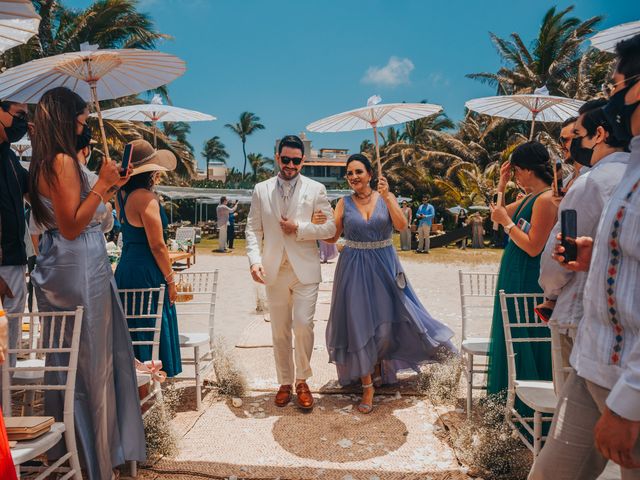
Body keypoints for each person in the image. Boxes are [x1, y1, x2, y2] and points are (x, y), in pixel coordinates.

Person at [529, 34, 640, 480]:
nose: (611, 97)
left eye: (616, 86)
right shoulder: (629, 168)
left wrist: (631, 400)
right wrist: (599, 257)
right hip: (593, 362)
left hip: (627, 379)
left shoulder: (597, 180)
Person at [28, 87, 145, 479]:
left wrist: (108, 186)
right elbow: (72, 225)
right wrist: (101, 186)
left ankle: (87, 451)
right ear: (66, 121)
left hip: (77, 265)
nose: (85, 128)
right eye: (81, 121)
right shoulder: (60, 161)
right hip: (77, 267)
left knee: (85, 361)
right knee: (90, 364)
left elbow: (79, 211)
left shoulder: (53, 161)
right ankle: (92, 460)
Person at [323, 154, 456, 414]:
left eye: (358, 171)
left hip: (385, 265)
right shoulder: (342, 203)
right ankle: (367, 385)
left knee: (388, 323)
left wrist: (387, 197)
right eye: (349, 173)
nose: (353, 177)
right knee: (359, 324)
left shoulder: (387, 197)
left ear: (370, 174)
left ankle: (382, 368)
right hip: (353, 267)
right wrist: (319, 225)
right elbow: (332, 238)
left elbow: (402, 225)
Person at [246, 134, 336, 410]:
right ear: (277, 157)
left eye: (296, 161)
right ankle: (284, 382)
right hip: (273, 269)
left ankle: (302, 380)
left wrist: (300, 228)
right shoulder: (261, 190)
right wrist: (254, 260)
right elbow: (252, 228)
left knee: (303, 326)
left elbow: (330, 229)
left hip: (305, 271)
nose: (291, 165)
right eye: (286, 159)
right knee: (280, 331)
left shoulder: (316, 189)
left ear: (303, 161)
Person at [538, 100, 629, 369]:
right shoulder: (631, 176)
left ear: (598, 135)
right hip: (624, 313)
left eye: (576, 135)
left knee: (572, 402)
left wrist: (550, 294)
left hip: (579, 311)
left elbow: (560, 256)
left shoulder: (591, 182)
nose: (570, 145)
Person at [487, 141, 558, 397]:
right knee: (511, 337)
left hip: (527, 278)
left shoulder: (547, 199)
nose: (515, 174)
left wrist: (507, 223)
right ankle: (509, 398)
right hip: (514, 275)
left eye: (515, 169)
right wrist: (501, 185)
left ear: (527, 169)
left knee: (524, 337)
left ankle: (527, 401)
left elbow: (533, 247)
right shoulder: (531, 197)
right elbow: (497, 212)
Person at [114, 139, 181, 378]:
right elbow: (157, 245)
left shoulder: (120, 196)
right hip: (146, 270)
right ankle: (153, 376)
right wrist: (171, 280)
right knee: (152, 318)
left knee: (132, 321)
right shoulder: (147, 198)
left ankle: (133, 376)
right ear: (151, 171)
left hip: (126, 268)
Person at [0, 100, 30, 355]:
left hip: (15, 262)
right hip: (2, 266)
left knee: (9, 350)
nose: (23, 122)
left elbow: (35, 191)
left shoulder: (10, 157)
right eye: (19, 114)